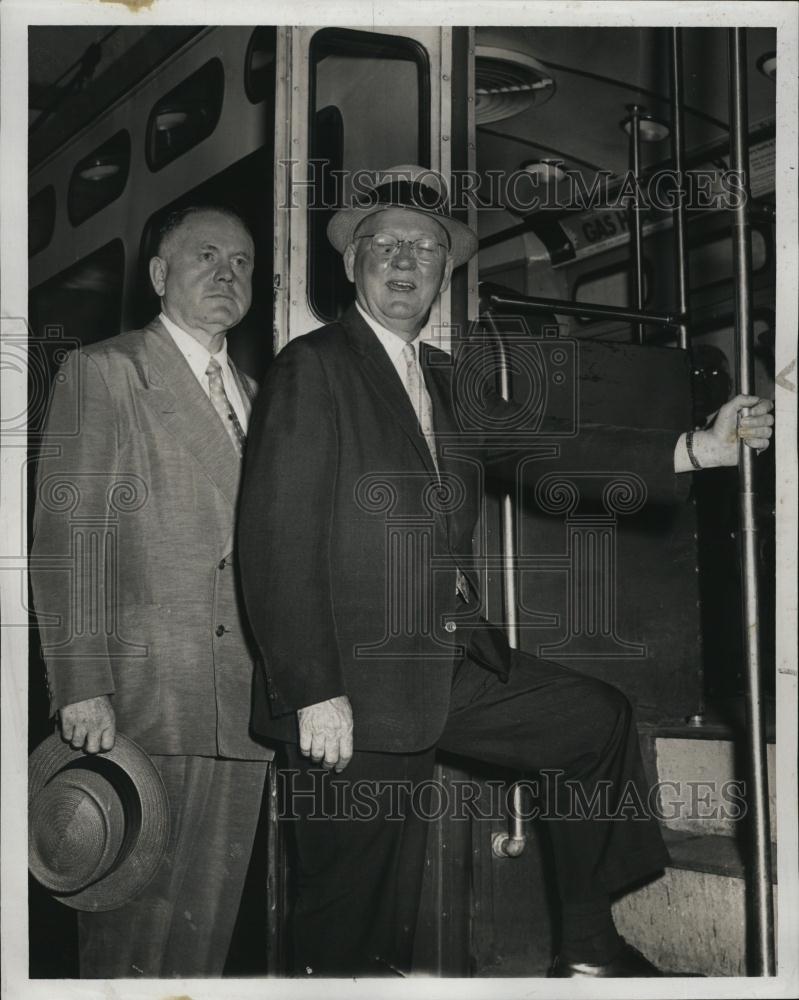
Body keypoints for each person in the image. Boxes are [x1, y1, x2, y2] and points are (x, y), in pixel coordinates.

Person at [237, 167, 774, 978]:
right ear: (350, 265)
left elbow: (544, 449)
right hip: (350, 679)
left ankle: (588, 951)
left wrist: (695, 448)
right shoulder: (313, 367)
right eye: (385, 245)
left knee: (593, 721)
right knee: (348, 916)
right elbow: (274, 538)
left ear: (444, 272)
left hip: (446, 663)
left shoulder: (445, 380)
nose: (406, 261)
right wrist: (313, 688)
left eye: (425, 249)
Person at [30, 205, 272, 978]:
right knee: (132, 933)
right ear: (160, 276)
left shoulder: (261, 396)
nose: (226, 273)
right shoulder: (106, 372)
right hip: (143, 698)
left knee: (205, 935)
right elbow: (69, 542)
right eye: (205, 257)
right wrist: (81, 686)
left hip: (244, 706)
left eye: (240, 262)